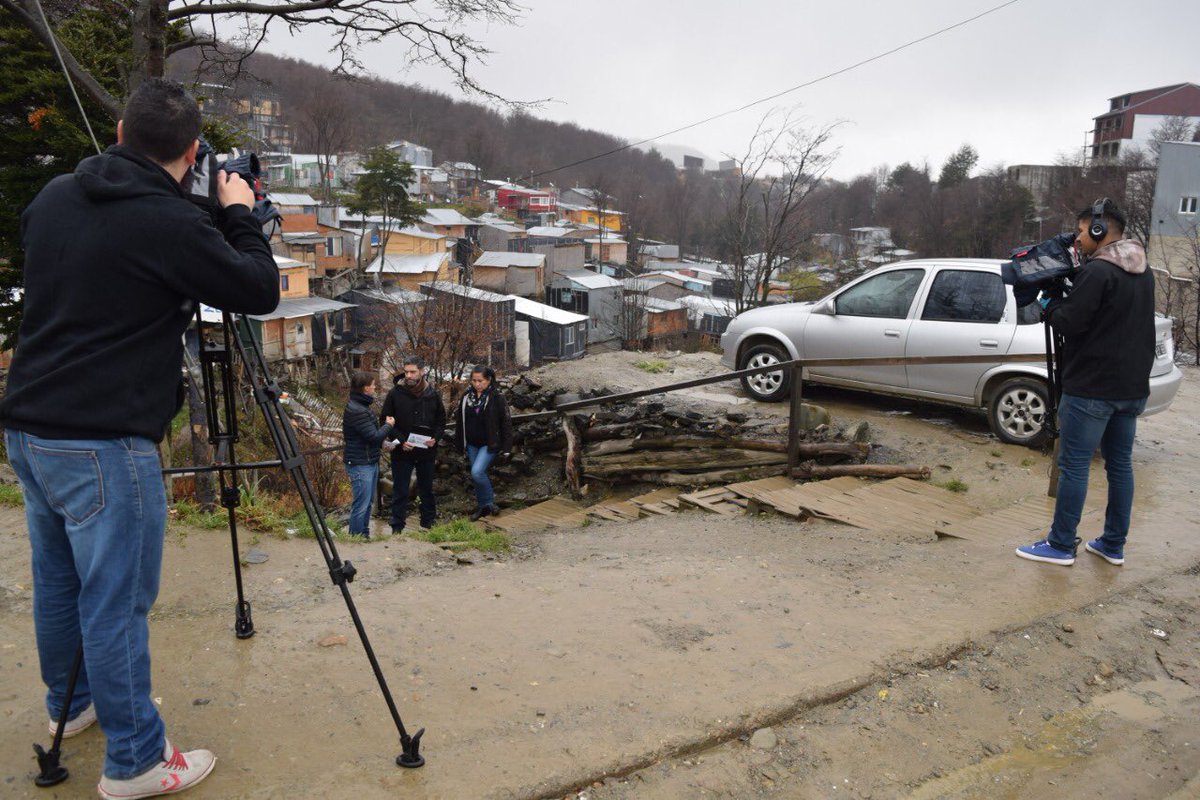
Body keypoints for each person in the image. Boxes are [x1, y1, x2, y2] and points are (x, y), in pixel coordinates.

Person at [0, 80, 279, 798]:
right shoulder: (168, 223)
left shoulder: (55, 196)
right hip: (104, 441)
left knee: (59, 580)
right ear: (192, 152)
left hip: (30, 427)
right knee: (115, 600)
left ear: (121, 132)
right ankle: (136, 761)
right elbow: (257, 289)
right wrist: (237, 213)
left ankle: (72, 705)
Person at [1016, 199, 1154, 567]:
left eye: (1081, 231)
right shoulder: (1143, 270)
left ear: (1098, 229)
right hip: (1130, 389)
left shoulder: (1099, 272)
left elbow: (1070, 323)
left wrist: (1049, 303)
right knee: (1120, 466)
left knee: (1074, 466)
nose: (1077, 239)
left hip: (1092, 387)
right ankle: (1112, 544)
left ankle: (1061, 545)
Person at [380, 356, 445, 533]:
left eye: (413, 372)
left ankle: (428, 524)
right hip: (402, 451)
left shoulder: (433, 394)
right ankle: (397, 528)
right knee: (400, 490)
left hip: (426, 451)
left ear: (422, 371)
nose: (408, 375)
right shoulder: (395, 394)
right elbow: (385, 421)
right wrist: (401, 441)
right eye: (406, 372)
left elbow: (441, 422)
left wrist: (435, 438)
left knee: (426, 489)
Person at [455, 365, 513, 521]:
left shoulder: (497, 397)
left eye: (480, 381)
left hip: (489, 443)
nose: (477, 384)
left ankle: (489, 503)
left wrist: (507, 447)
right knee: (478, 475)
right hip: (472, 443)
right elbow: (460, 421)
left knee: (477, 472)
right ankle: (483, 507)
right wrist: (460, 443)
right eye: (474, 380)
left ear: (489, 380)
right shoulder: (466, 396)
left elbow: (506, 422)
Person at [342, 371, 394, 538]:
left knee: (368, 502)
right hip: (360, 464)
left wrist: (384, 443)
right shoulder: (358, 410)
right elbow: (374, 437)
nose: (375, 388)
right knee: (361, 504)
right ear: (365, 388)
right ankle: (356, 537)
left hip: (368, 460)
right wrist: (388, 425)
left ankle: (363, 535)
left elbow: (368, 435)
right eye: (373, 385)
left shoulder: (361, 406)